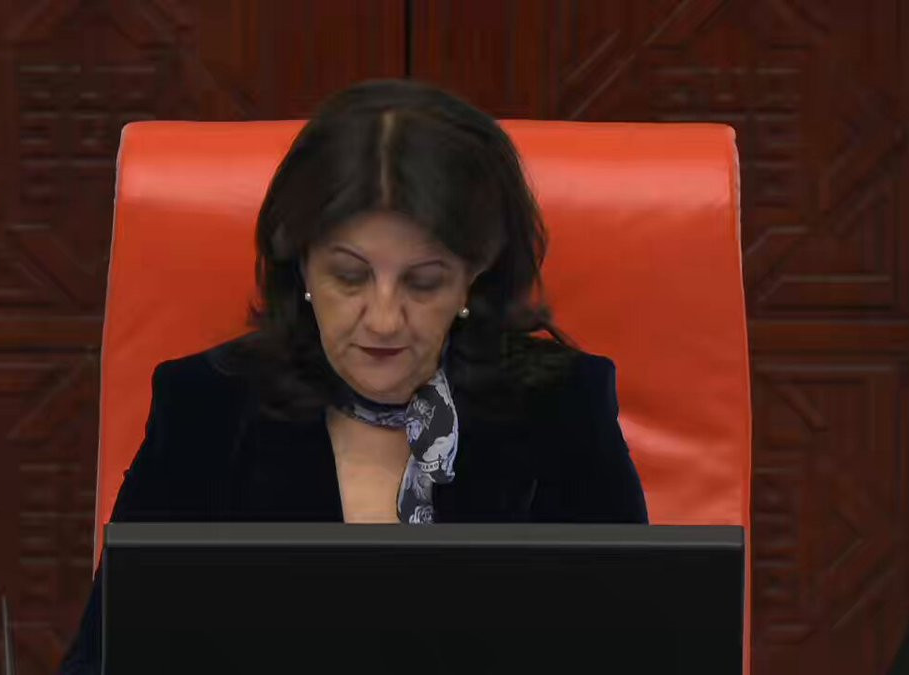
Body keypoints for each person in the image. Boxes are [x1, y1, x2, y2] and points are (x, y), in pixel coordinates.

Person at [58, 79, 648, 673]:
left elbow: (635, 649)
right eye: (349, 276)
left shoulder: (561, 406)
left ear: (475, 274)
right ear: (301, 262)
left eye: (424, 282)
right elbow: (105, 661)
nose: (384, 319)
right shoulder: (205, 407)